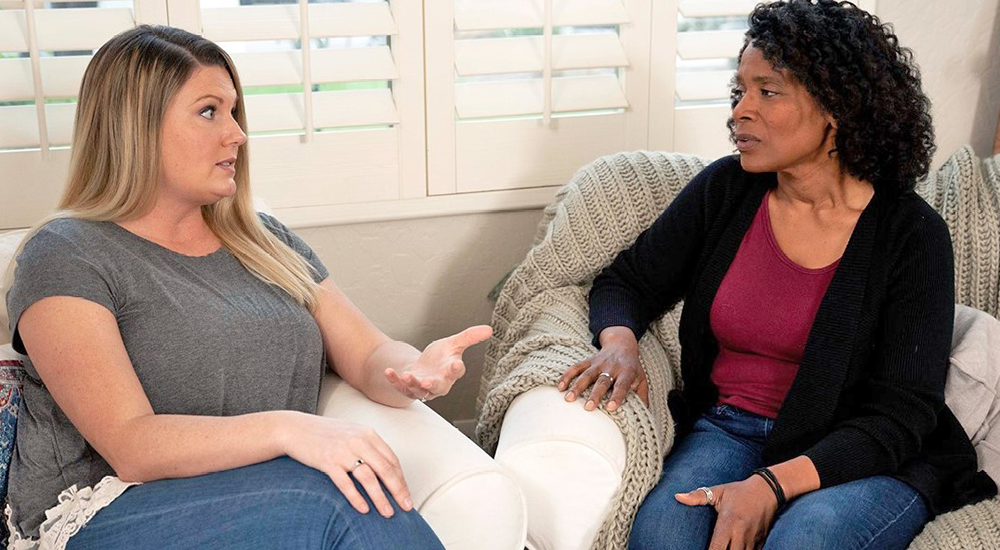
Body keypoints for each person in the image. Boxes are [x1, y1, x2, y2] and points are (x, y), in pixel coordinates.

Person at [3, 25, 491, 550]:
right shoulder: (66, 253)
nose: (236, 134)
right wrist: (291, 430)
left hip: (267, 494)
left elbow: (369, 352)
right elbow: (132, 445)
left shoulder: (264, 241)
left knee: (337, 494)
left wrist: (412, 370)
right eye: (209, 112)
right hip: (107, 510)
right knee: (332, 495)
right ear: (135, 126)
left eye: (234, 113)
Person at [556, 1, 997, 549]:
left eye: (768, 92)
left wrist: (770, 486)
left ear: (837, 107)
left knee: (803, 542)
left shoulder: (911, 235)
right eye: (739, 91)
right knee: (664, 535)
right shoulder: (726, 191)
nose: (741, 110)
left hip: (860, 450)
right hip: (729, 428)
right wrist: (618, 341)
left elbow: (901, 415)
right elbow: (630, 280)